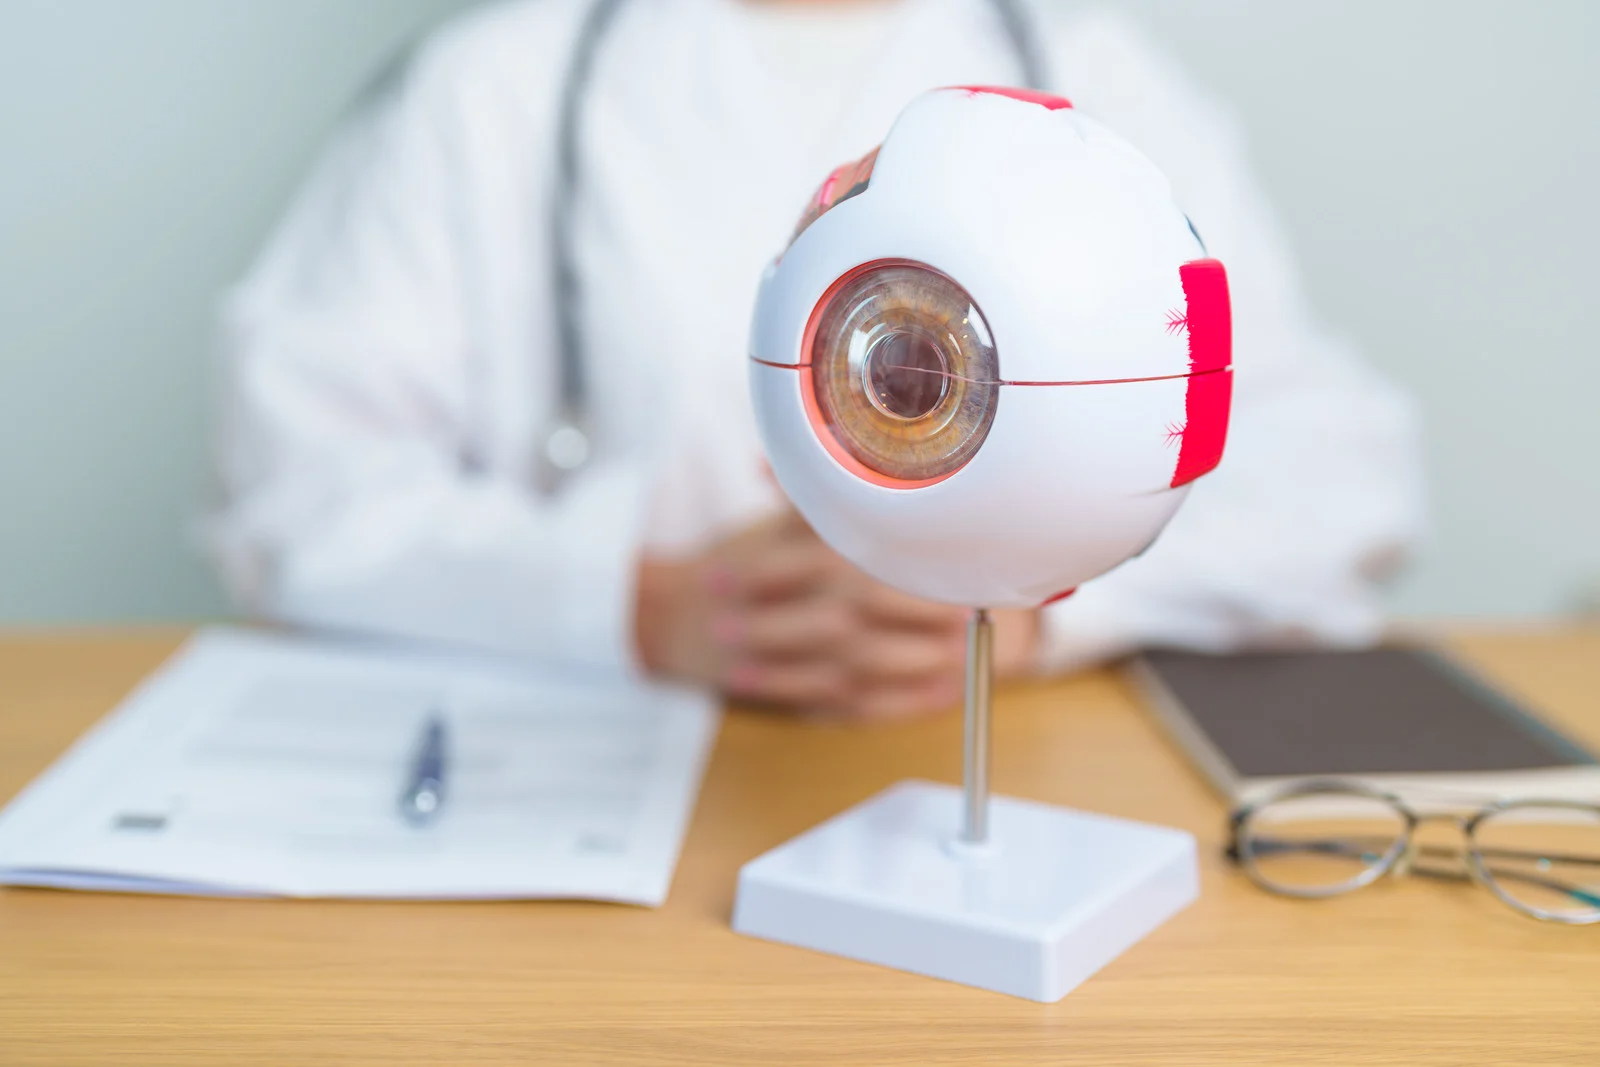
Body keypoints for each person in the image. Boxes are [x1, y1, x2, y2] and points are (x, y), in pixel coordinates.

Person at [206, 0, 1422, 720]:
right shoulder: (499, 84)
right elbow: (295, 497)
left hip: (1010, 760)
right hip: (617, 779)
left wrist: (1044, 599)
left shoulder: (1085, 75)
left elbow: (1336, 472)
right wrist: (625, 600)